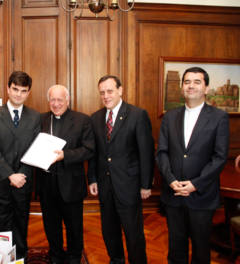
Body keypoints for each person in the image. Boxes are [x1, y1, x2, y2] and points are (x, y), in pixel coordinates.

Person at [156, 67, 229, 264]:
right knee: (176, 250)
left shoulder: (219, 117)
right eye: (187, 81)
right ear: (182, 88)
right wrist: (171, 181)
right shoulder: (169, 117)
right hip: (173, 194)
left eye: (197, 82)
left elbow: (220, 157)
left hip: (202, 196)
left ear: (206, 88)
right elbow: (161, 152)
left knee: (201, 251)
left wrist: (195, 184)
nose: (191, 85)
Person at [87, 75, 155, 264]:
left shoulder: (137, 114)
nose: (106, 96)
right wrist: (92, 178)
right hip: (105, 185)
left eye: (110, 91)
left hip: (129, 186)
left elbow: (146, 152)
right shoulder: (96, 117)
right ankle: (116, 261)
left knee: (134, 235)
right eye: (102, 92)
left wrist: (145, 185)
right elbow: (95, 152)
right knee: (109, 232)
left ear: (120, 90)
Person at [35, 85, 95, 264]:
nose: (56, 104)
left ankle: (74, 258)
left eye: (60, 99)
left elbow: (89, 150)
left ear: (68, 99)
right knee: (51, 225)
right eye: (52, 100)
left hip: (71, 183)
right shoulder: (40, 119)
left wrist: (65, 155)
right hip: (46, 182)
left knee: (74, 226)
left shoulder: (82, 120)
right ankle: (56, 257)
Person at [0, 71, 41, 259]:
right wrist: (10, 175)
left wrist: (21, 175)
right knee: (2, 227)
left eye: (23, 91)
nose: (18, 94)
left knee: (21, 225)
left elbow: (35, 149)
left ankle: (20, 260)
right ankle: (2, 260)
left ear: (28, 92)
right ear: (8, 89)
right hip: (0, 183)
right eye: (15, 89)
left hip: (24, 182)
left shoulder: (35, 116)